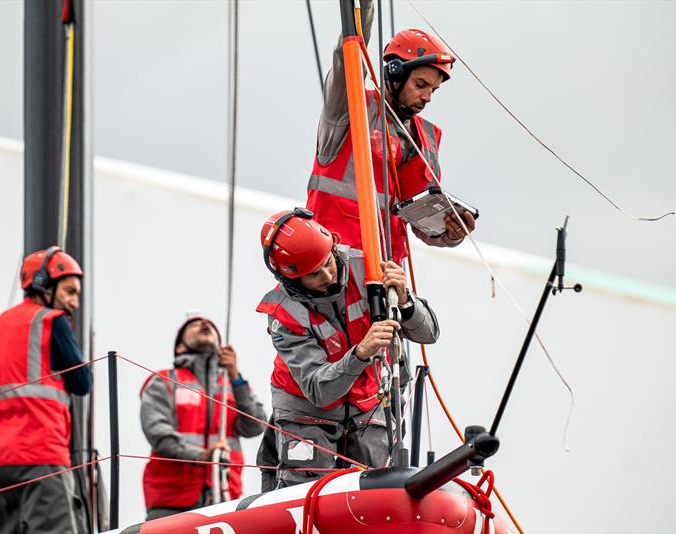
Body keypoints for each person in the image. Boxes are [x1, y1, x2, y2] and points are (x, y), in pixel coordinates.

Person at [256, 209, 440, 488]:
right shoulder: (283, 312)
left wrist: (405, 301)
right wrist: (361, 353)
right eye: (314, 274)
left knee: (375, 488)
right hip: (306, 410)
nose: (329, 275)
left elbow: (429, 334)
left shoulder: (370, 269)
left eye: (328, 261)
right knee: (303, 490)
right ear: (292, 279)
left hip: (368, 402)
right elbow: (320, 390)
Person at [306, 0, 476, 264]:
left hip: (385, 280)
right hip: (329, 274)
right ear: (394, 73)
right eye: (421, 85)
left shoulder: (424, 139)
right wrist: (365, 5)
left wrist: (450, 233)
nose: (428, 97)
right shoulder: (347, 110)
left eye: (433, 90)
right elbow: (348, 57)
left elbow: (423, 224)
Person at [0, 246, 92, 534]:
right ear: (43, 285)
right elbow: (82, 383)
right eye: (70, 291)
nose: (74, 302)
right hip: (42, 452)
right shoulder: (52, 322)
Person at [140, 316, 266, 520]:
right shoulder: (164, 381)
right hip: (171, 501)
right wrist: (202, 456)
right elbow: (158, 433)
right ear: (180, 347)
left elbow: (255, 425)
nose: (204, 325)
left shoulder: (233, 385)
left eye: (210, 326)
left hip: (224, 497)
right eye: (194, 325)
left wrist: (235, 376)